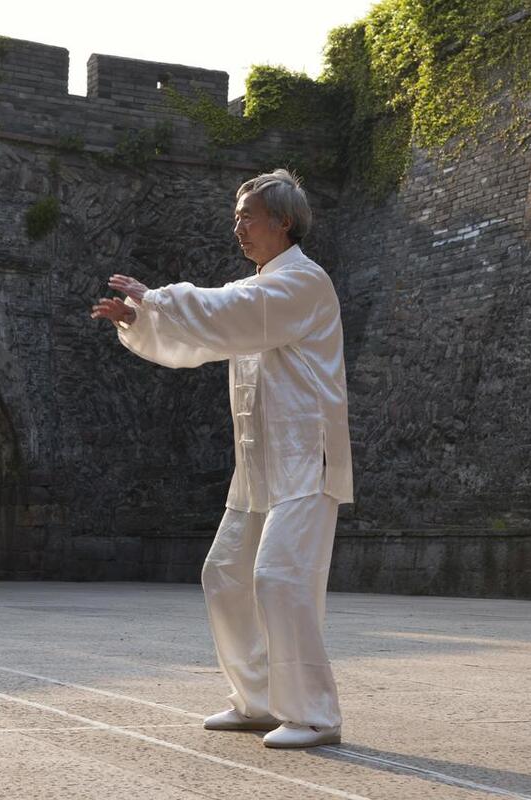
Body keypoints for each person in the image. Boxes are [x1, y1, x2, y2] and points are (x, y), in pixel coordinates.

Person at [89, 169, 353, 749]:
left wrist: (157, 299)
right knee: (226, 574)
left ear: (282, 221)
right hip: (258, 465)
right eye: (236, 217)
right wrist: (142, 320)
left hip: (307, 459)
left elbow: (228, 314)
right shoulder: (254, 291)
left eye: (247, 216)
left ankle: (314, 715)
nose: (238, 227)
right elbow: (209, 338)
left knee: (280, 578)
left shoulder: (303, 283)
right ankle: (258, 701)